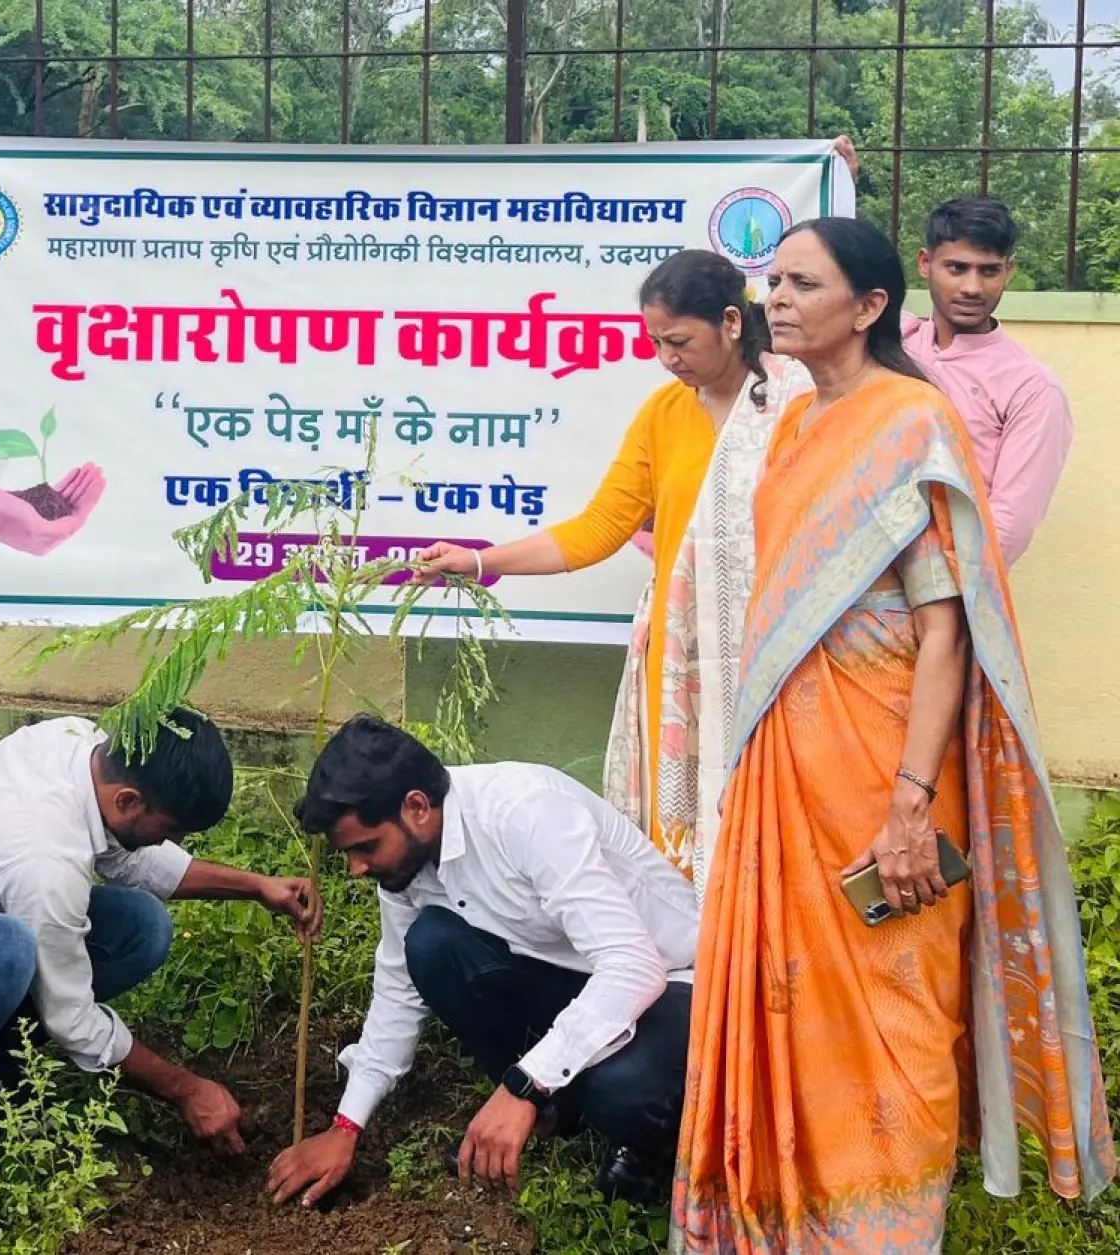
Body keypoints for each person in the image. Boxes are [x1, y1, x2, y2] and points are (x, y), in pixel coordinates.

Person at [671, 217, 1114, 1253]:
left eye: (802, 283)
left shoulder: (912, 423)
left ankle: (882, 1234)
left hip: (885, 778)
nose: (776, 300)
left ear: (870, 306)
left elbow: (944, 631)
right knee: (787, 1003)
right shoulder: (787, 431)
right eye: (771, 280)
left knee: (898, 1016)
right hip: (788, 773)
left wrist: (912, 804)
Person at [0, 710, 321, 1251]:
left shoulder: (78, 745)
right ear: (130, 800)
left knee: (140, 926)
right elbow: (72, 1019)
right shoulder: (45, 856)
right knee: (2, 953)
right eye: (172, 829)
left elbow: (138, 863)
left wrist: (256, 886)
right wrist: (186, 1089)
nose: (171, 840)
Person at [417, 251, 812, 892]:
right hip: (681, 656)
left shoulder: (794, 402)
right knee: (682, 841)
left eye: (679, 341)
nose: (666, 358)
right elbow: (600, 527)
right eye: (656, 342)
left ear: (733, 322)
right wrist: (481, 562)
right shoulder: (664, 414)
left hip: (771, 646)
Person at [267, 716, 698, 1211]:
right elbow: (397, 990)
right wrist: (346, 1126)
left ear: (416, 806)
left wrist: (520, 1085)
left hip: (671, 980)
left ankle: (645, 1146)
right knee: (431, 945)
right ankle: (552, 1109)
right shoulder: (405, 867)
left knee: (624, 1092)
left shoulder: (525, 812)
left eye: (366, 847)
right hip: (564, 970)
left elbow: (631, 966)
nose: (357, 868)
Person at [903, 195, 1073, 566]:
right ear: (925, 263)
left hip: (953, 591)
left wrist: (941, 601)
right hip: (857, 584)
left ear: (1008, 270)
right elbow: (835, 285)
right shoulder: (898, 343)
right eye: (957, 268)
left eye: (989, 271)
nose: (972, 287)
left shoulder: (1030, 387)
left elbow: (1009, 525)